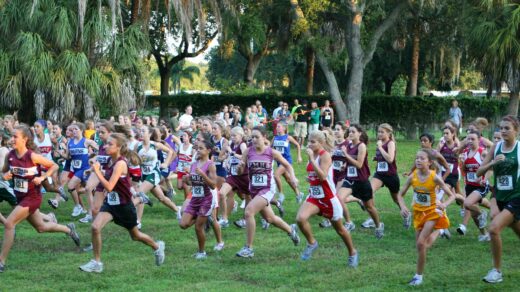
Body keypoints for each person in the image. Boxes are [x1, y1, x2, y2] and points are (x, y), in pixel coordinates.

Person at [79, 133, 165, 273]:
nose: (106, 146)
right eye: (106, 143)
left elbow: (109, 186)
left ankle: (157, 247)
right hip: (111, 204)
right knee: (95, 227)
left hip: (124, 206)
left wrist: (97, 172)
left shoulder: (120, 163)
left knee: (135, 235)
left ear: (119, 147)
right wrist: (93, 170)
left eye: (110, 144)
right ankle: (96, 262)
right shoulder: (110, 161)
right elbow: (108, 179)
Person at [0, 125, 80, 273]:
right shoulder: (10, 155)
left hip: (33, 197)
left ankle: (1, 262)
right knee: (41, 228)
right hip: (21, 198)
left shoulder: (32, 156)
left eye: (15, 136)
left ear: (25, 139)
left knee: (9, 223)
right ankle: (69, 229)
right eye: (11, 136)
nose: (11, 139)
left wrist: (43, 177)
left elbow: (54, 165)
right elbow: (3, 171)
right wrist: (3, 176)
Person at [235, 126, 300, 258]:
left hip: (267, 189)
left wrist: (293, 177)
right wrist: (240, 167)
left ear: (264, 137)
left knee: (248, 212)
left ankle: (249, 248)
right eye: (252, 137)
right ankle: (291, 230)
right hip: (254, 189)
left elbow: (287, 165)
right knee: (270, 218)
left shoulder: (271, 152)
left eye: (256, 137)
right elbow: (240, 172)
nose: (253, 139)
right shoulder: (247, 152)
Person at [295, 130, 359, 266]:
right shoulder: (313, 154)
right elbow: (315, 174)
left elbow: (323, 176)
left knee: (340, 230)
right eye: (309, 141)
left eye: (313, 142)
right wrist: (310, 178)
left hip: (328, 198)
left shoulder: (325, 156)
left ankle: (352, 252)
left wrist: (312, 159)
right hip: (314, 196)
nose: (309, 144)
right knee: (300, 219)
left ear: (321, 142)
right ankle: (312, 243)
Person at [397, 149, 456, 286]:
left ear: (429, 162)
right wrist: (403, 207)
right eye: (417, 158)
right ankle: (439, 230)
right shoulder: (412, 177)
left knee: (420, 243)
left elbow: (452, 195)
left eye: (422, 158)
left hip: (432, 212)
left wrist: (445, 204)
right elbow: (400, 195)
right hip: (419, 213)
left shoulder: (434, 177)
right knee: (422, 246)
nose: (418, 160)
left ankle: (418, 277)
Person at [476, 115, 520, 284]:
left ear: (516, 130)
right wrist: (492, 163)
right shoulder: (496, 147)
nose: (503, 131)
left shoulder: (519, 148)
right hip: (500, 197)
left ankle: (496, 271)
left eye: (507, 128)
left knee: (493, 229)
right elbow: (480, 172)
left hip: (517, 197)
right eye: (501, 128)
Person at [337, 124, 385, 239]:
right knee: (338, 199)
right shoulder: (348, 145)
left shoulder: (361, 146)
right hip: (350, 180)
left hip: (362, 181)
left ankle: (378, 225)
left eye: (353, 131)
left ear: (359, 133)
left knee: (369, 207)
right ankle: (349, 223)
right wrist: (344, 165)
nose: (351, 134)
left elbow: (359, 165)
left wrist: (346, 155)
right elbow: (349, 161)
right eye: (349, 132)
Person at [180, 139, 222, 259]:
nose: (198, 150)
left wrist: (203, 175)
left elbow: (213, 185)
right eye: (197, 148)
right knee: (183, 224)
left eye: (201, 148)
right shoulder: (194, 164)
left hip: (207, 199)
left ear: (208, 150)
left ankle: (201, 252)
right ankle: (205, 217)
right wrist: (187, 179)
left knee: (198, 227)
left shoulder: (210, 165)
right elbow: (192, 183)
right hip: (195, 198)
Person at [458, 130, 490, 241]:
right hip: (469, 185)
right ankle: (485, 234)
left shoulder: (483, 152)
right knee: (473, 214)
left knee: (467, 204)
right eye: (468, 139)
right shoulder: (465, 153)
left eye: (473, 139)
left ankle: (483, 213)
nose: (470, 141)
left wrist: (484, 179)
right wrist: (462, 163)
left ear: (479, 140)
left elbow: (490, 168)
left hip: (481, 185)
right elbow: (464, 171)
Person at [367, 124, 400, 226]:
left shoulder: (390, 143)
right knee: (369, 191)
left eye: (382, 132)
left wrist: (380, 148)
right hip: (379, 174)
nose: (379, 134)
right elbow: (383, 158)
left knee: (396, 199)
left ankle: (406, 212)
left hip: (390, 175)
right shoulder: (380, 143)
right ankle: (373, 218)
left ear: (389, 133)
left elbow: (390, 159)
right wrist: (376, 158)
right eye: (379, 132)